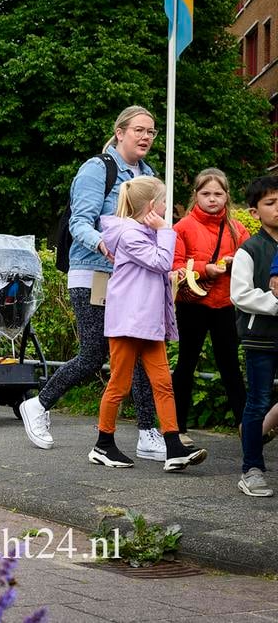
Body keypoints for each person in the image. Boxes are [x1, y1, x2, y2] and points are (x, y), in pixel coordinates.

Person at [20, 106, 167, 461]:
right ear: (120, 132)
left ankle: (148, 432)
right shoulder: (97, 169)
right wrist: (104, 243)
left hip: (131, 279)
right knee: (94, 354)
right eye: (139, 130)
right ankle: (38, 404)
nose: (146, 136)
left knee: (139, 349)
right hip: (93, 274)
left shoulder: (148, 175)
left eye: (151, 132)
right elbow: (80, 222)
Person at [90, 176, 208, 472]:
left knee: (163, 383)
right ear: (153, 205)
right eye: (165, 201)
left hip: (147, 322)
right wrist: (165, 231)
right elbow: (161, 262)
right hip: (130, 321)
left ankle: (173, 446)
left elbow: (159, 268)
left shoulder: (143, 232)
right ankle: (103, 444)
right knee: (119, 383)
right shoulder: (131, 234)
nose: (168, 207)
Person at [171, 169, 249, 443]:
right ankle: (177, 428)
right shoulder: (182, 227)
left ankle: (246, 427)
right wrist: (206, 269)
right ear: (195, 195)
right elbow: (174, 266)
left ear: (227, 196)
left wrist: (233, 264)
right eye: (206, 194)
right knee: (186, 363)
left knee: (230, 365)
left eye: (218, 193)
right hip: (193, 303)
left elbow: (251, 264)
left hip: (225, 303)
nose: (212, 199)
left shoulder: (237, 228)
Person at [231, 175, 278, 496]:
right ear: (254, 211)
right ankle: (251, 468)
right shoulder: (250, 249)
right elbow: (240, 294)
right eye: (270, 203)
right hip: (260, 336)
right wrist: (275, 302)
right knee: (258, 400)